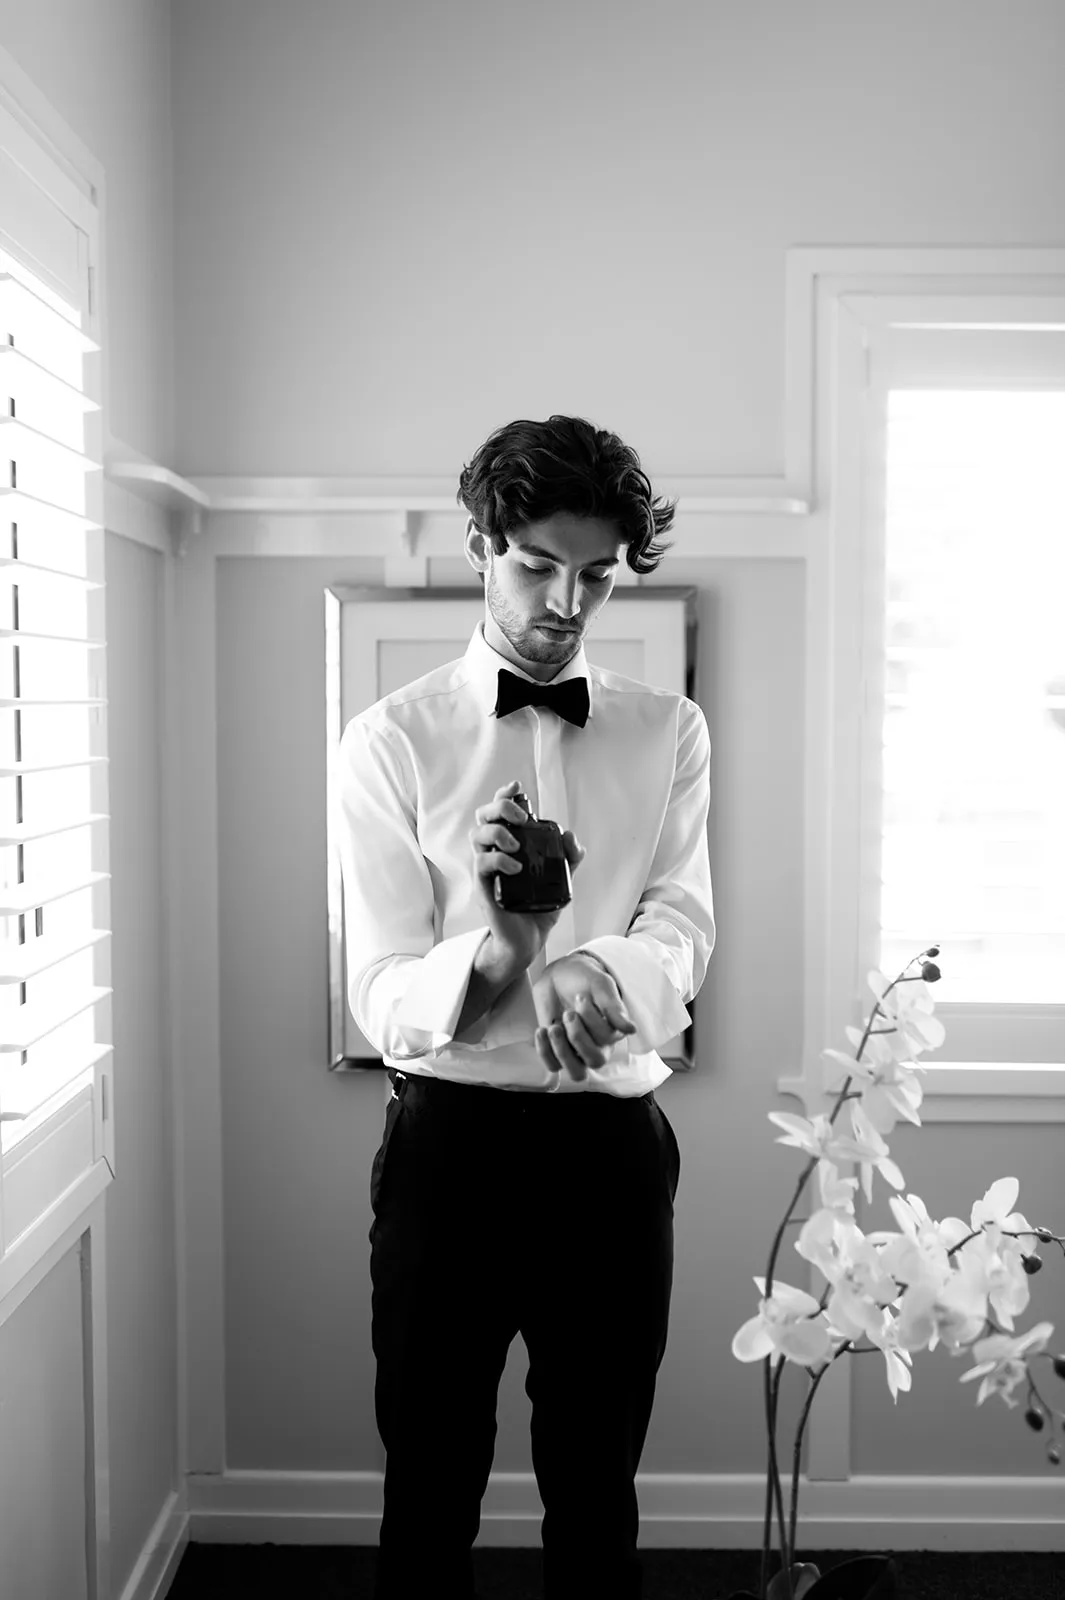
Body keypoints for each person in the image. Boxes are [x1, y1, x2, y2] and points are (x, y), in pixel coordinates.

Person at [333, 413, 715, 1600]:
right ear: (480, 543)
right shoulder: (388, 743)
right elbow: (385, 993)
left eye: (596, 576)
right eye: (536, 565)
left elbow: (684, 925)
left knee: (598, 1492)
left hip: (609, 1153)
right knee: (430, 1489)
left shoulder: (671, 730)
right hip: (449, 1152)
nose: (566, 601)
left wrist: (596, 969)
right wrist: (503, 959)